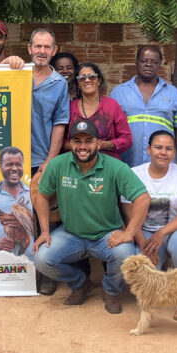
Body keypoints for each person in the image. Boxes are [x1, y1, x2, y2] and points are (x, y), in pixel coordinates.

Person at [33, 120, 150, 314]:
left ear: (98, 143)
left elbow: (143, 198)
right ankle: (80, 283)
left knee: (124, 254)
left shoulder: (115, 167)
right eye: (77, 141)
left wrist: (129, 232)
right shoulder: (58, 164)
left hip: (106, 235)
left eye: (89, 141)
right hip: (71, 234)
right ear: (70, 144)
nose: (82, 146)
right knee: (41, 258)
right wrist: (45, 231)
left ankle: (111, 291)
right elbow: (42, 197)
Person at [131, 130, 177, 320]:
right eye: (158, 147)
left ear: (174, 152)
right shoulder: (134, 174)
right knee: (143, 271)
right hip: (145, 232)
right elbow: (129, 214)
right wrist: (144, 243)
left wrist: (162, 233)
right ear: (148, 149)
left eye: (169, 148)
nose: (163, 152)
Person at [111, 45, 177, 169]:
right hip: (126, 166)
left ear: (159, 65)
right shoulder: (118, 93)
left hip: (164, 167)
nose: (149, 64)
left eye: (154, 62)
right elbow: (110, 129)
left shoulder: (173, 94)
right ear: (136, 63)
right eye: (144, 61)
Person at [64, 62, 133, 160]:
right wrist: (79, 146)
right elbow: (61, 141)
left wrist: (105, 145)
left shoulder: (111, 105)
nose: (87, 80)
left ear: (99, 80)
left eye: (92, 77)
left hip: (107, 164)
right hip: (75, 164)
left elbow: (127, 139)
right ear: (78, 84)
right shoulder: (70, 107)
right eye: (82, 78)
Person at [28, 28, 69, 174]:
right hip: (10, 156)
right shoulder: (16, 74)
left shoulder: (59, 83)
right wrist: (7, 62)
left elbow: (59, 124)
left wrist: (50, 160)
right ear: (30, 49)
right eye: (38, 46)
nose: (42, 51)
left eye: (47, 47)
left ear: (54, 50)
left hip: (40, 160)